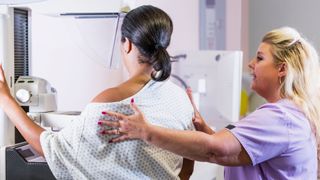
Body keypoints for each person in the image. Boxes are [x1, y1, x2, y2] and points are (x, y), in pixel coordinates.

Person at [0, 5, 195, 179]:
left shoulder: (109, 102)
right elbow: (187, 166)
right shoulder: (179, 98)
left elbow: (51, 148)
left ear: (126, 44)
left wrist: (6, 100)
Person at [100, 27, 320, 179]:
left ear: (282, 69)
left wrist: (145, 131)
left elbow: (216, 152)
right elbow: (238, 152)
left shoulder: (280, 118)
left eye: (260, 58)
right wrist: (204, 129)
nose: (251, 64)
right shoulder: (291, 114)